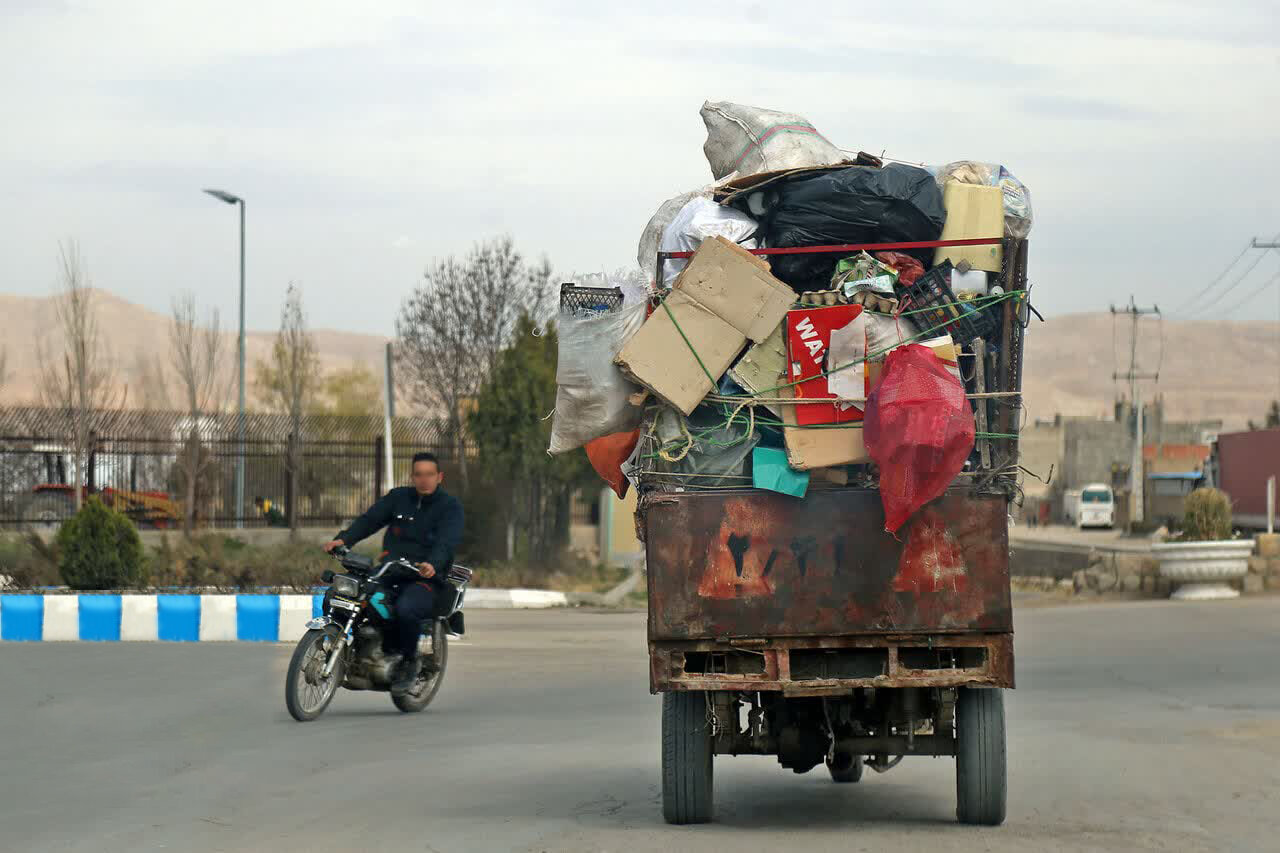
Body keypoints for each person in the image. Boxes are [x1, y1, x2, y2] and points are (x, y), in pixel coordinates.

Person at [323, 452, 464, 695]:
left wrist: (432, 563)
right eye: (419, 474)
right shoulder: (399, 498)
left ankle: (409, 662)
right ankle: (347, 650)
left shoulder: (449, 507)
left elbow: (446, 543)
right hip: (391, 571)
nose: (424, 480)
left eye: (429, 474)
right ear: (412, 476)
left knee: (406, 609)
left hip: (426, 578)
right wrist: (344, 539)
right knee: (343, 594)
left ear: (439, 477)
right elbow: (370, 520)